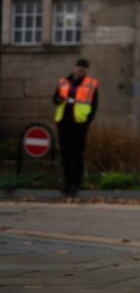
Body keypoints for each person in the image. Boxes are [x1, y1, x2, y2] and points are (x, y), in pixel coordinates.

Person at [52, 58, 99, 197]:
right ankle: (67, 184)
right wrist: (59, 99)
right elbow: (54, 99)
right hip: (64, 122)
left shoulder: (91, 84)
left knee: (77, 154)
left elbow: (94, 105)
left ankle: (76, 185)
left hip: (79, 125)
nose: (81, 72)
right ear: (75, 69)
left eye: (84, 70)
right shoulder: (64, 82)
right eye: (79, 69)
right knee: (65, 154)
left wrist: (87, 122)